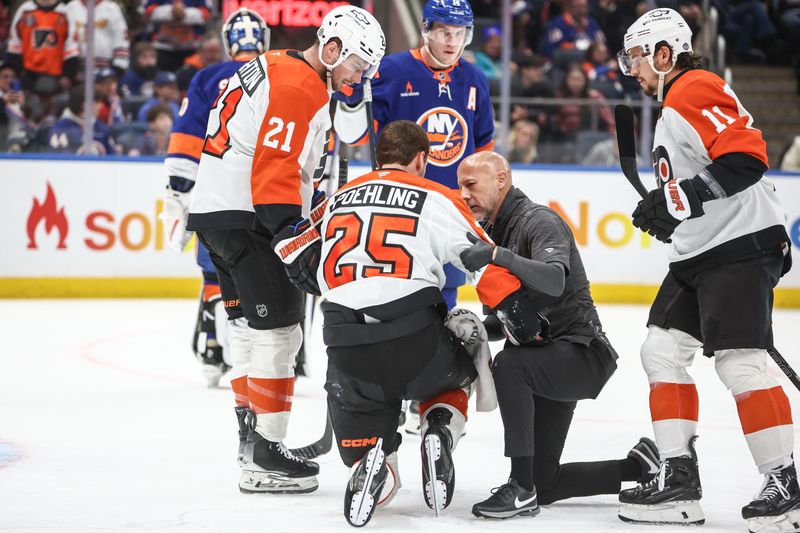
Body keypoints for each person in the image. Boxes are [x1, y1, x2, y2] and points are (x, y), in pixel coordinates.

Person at [271, 120, 518, 526]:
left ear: (379, 156)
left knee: (365, 438)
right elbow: (485, 262)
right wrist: (517, 313)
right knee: (462, 354)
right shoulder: (437, 196)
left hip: (344, 348)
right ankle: (438, 428)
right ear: (421, 159)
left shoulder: (336, 198)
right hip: (416, 344)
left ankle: (374, 465)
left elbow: (291, 247)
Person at [185, 5, 385, 495]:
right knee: (278, 333)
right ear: (332, 48)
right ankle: (266, 456)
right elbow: (275, 173)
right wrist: (295, 241)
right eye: (357, 65)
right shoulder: (300, 84)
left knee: (248, 334)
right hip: (251, 217)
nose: (358, 78)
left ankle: (251, 441)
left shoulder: (276, 66)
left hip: (216, 214)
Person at [616, 8, 796, 530]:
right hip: (704, 251)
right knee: (662, 351)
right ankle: (678, 480)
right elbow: (701, 184)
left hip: (741, 246)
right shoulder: (675, 102)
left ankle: (784, 486)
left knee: (740, 364)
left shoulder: (693, 86)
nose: (635, 71)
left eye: (637, 58)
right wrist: (674, 213)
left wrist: (680, 200)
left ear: (663, 53)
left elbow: (746, 158)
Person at [456, 151, 659, 519]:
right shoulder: (495, 235)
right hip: (547, 356)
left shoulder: (538, 220)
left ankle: (518, 488)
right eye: (460, 186)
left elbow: (553, 280)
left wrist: (497, 255)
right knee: (544, 484)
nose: (464, 194)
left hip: (582, 354)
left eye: (471, 184)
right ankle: (638, 467)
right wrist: (474, 330)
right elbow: (510, 321)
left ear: (501, 179)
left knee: (510, 366)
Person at [334, 0, 495, 312]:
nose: (452, 42)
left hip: (451, 206)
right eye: (444, 32)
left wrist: (481, 196)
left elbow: (483, 145)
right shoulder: (390, 71)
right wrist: (350, 104)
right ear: (426, 31)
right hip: (401, 203)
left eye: (459, 34)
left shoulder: (475, 79)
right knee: (398, 285)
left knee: (447, 289)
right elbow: (361, 134)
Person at [162, 8, 269, 388]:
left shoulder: (207, 77)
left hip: (215, 190)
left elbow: (185, 143)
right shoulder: (277, 73)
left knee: (215, 266)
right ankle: (258, 353)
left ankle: (212, 345)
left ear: (228, 43)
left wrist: (178, 192)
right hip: (262, 193)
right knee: (258, 271)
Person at [143, 0, 213, 71]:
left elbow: (206, 14)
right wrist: (170, 12)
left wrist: (185, 14)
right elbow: (147, 11)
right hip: (162, 48)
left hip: (191, 49)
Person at [64, 0, 130, 75]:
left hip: (106, 69)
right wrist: (69, 64)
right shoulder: (71, 7)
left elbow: (121, 37)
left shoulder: (111, 8)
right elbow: (66, 37)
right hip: (78, 69)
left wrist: (119, 64)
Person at [48, 84, 116, 155]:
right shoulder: (61, 127)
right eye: (96, 102)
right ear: (84, 104)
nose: (101, 106)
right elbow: (57, 157)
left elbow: (113, 155)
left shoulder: (102, 128)